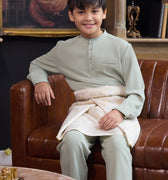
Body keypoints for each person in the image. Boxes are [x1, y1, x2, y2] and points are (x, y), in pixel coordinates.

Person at [27, 0, 145, 180]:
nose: (88, 18)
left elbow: (137, 93)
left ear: (104, 13)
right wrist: (41, 82)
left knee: (117, 145)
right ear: (71, 15)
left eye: (95, 11)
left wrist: (120, 112)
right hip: (84, 111)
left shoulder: (122, 48)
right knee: (71, 142)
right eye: (81, 12)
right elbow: (36, 65)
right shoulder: (63, 50)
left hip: (116, 109)